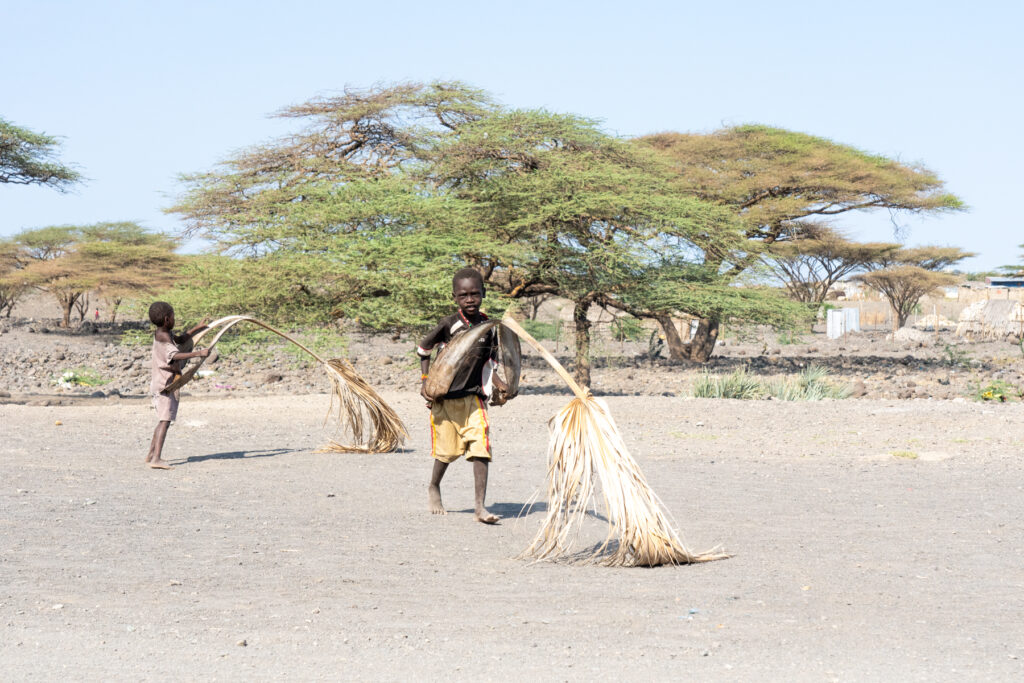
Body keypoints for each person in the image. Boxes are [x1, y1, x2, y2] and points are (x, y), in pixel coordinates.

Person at [417, 268, 508, 523]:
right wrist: (426, 381)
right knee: (446, 453)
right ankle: (434, 486)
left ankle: (480, 507)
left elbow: (490, 363)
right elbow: (423, 349)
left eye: (475, 294)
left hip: (474, 400)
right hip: (445, 399)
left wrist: (499, 385)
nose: (470, 299)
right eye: (463, 295)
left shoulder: (489, 327)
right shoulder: (449, 324)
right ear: (455, 297)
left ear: (483, 293)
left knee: (481, 448)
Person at [145, 302, 210, 470]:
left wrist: (197, 329)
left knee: (162, 421)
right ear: (167, 319)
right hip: (165, 386)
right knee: (164, 421)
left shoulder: (163, 332)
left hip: (160, 383)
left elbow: (180, 340)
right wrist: (198, 353)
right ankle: (156, 459)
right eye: (173, 316)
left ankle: (151, 455)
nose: (175, 319)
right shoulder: (164, 339)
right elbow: (176, 354)